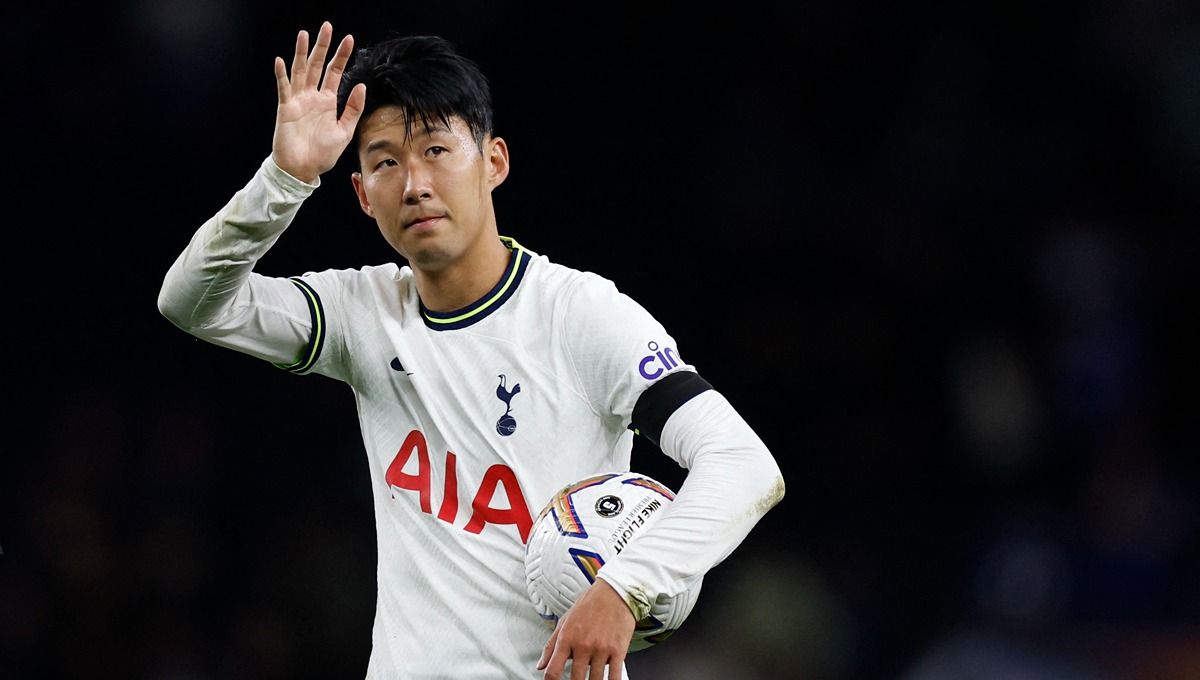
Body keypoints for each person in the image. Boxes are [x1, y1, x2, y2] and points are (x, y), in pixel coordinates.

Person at [157, 20, 785, 680]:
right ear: (362, 195)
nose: (414, 184)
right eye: (385, 162)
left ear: (494, 162)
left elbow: (743, 464)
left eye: (435, 150)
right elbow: (193, 302)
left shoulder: (580, 316)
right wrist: (283, 178)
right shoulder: (361, 314)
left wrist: (627, 586)